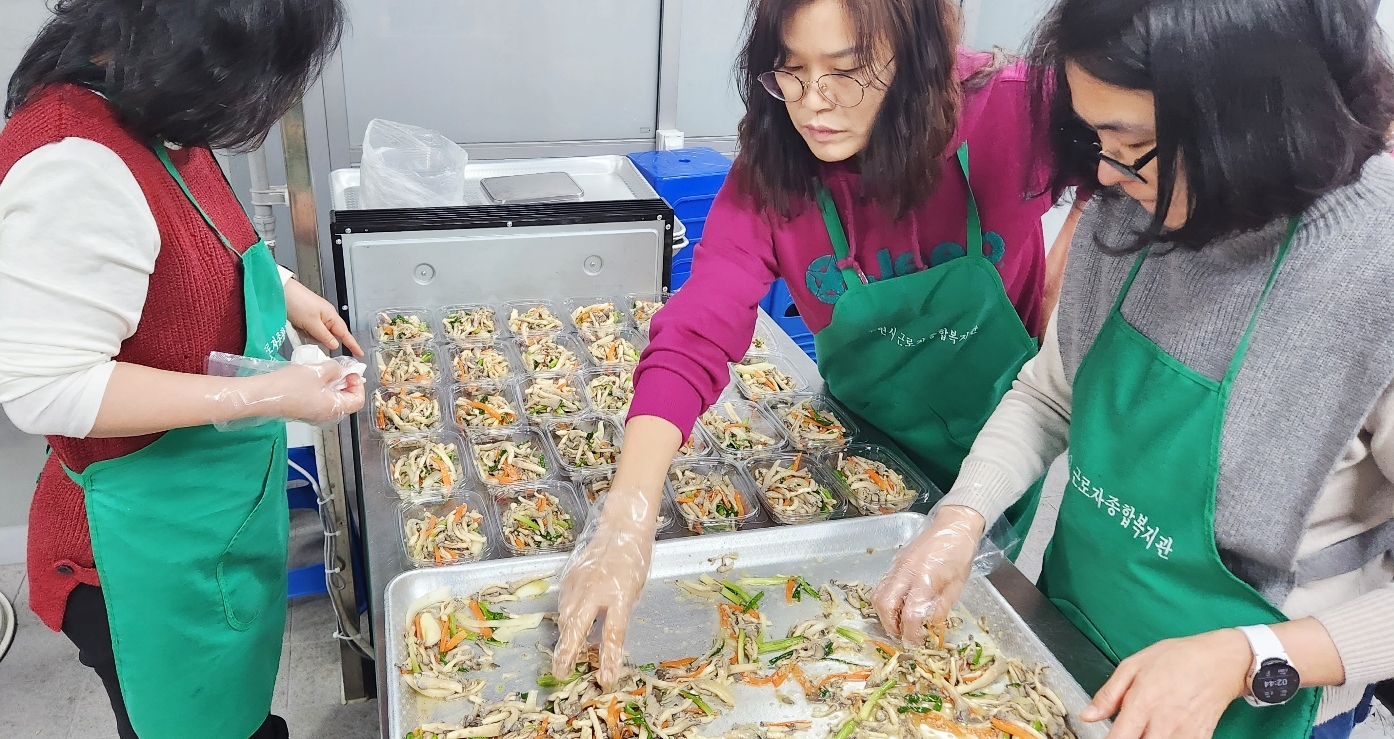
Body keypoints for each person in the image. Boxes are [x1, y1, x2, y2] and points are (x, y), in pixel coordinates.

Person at [872, 0, 1394, 737]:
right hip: (1074, 645)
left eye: (1136, 142)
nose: (1108, 175)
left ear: (1255, 111)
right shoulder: (1127, 200)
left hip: (1263, 706)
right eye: (1095, 138)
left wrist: (1251, 656)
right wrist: (962, 516)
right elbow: (1052, 394)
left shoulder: (1375, 270)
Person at [554, 0, 1083, 687]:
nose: (813, 104)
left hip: (1000, 452)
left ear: (916, 61)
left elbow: (1134, 158)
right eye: (792, 72)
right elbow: (696, 330)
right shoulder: (777, 167)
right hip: (857, 450)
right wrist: (626, 517)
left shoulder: (1016, 113)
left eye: (846, 71)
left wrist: (1073, 271)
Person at [0, 2, 359, 738]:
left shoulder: (152, 101)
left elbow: (187, 241)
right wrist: (267, 391)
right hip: (140, 564)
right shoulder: (74, 159)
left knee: (238, 713)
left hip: (211, 523)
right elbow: (48, 387)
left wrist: (285, 292)